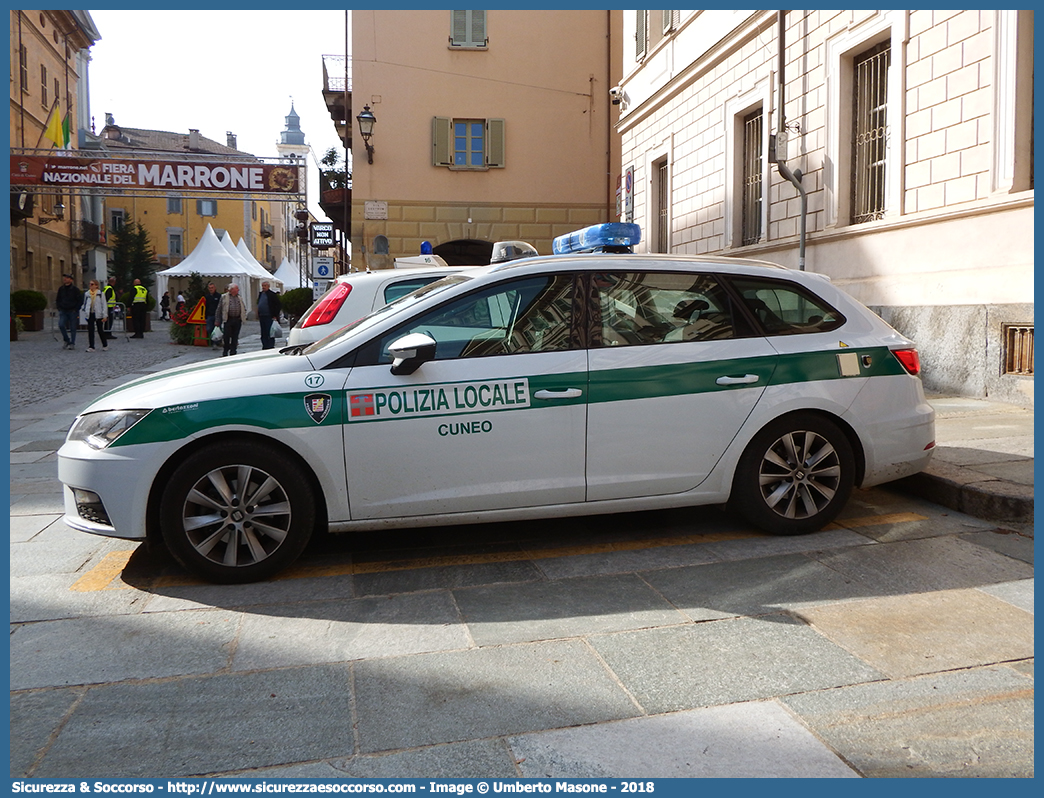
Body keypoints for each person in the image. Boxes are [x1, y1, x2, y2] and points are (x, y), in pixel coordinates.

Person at [215, 283, 244, 356]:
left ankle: (233, 350)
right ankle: (226, 350)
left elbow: (243, 307)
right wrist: (217, 320)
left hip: (237, 319)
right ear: (232, 290)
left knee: (235, 336)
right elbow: (219, 309)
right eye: (236, 288)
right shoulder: (224, 297)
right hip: (228, 319)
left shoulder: (239, 297)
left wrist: (243, 315)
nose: (238, 290)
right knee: (226, 336)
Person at [55, 273, 82, 350]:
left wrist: (76, 309)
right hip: (63, 310)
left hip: (72, 311)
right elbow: (58, 299)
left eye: (67, 278)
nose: (65, 279)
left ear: (71, 280)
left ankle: (72, 343)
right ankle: (67, 340)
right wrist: (59, 307)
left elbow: (79, 300)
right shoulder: (61, 289)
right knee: (61, 325)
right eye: (64, 278)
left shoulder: (75, 290)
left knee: (73, 327)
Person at [80, 279, 108, 352]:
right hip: (90, 313)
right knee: (90, 330)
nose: (90, 286)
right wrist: (84, 311)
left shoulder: (100, 293)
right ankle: (91, 346)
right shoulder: (87, 294)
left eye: (92, 284)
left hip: (98, 313)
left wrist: (105, 315)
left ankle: (105, 344)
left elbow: (104, 305)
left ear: (96, 286)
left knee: (100, 330)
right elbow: (85, 303)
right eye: (90, 284)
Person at [257, 280, 282, 350]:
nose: (263, 287)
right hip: (262, 316)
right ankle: (264, 345)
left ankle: (270, 345)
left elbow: (278, 305)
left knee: (270, 332)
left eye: (265, 286)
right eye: (263, 286)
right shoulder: (261, 294)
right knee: (263, 332)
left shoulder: (272, 295)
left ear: (268, 286)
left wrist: (275, 314)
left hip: (269, 316)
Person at [203, 282, 220, 346]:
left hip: (217, 316)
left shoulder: (219, 296)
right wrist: (205, 316)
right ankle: (213, 340)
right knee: (209, 329)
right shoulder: (207, 297)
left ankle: (217, 342)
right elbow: (206, 307)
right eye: (209, 288)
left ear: (215, 288)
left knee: (217, 329)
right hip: (209, 315)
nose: (211, 289)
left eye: (212, 288)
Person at [103, 276, 118, 341]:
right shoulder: (110, 289)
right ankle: (107, 334)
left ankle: (107, 333)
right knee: (109, 321)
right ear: (113, 282)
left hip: (107, 307)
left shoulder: (106, 287)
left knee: (107, 321)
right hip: (108, 307)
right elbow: (107, 298)